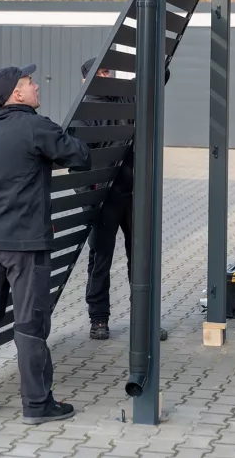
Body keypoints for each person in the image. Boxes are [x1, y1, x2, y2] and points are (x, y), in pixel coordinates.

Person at [0, 64, 91, 425]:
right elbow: (80, 156)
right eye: (30, 83)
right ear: (17, 94)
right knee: (30, 324)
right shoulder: (36, 127)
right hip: (25, 246)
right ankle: (37, 404)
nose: (36, 87)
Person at [77, 58, 168, 342]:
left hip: (133, 195)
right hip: (103, 199)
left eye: (108, 70)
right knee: (100, 259)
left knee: (140, 257)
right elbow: (77, 164)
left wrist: (158, 56)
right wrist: (89, 201)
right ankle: (99, 319)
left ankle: (145, 319)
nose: (106, 75)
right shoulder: (84, 111)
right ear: (87, 79)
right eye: (101, 72)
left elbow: (157, 77)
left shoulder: (126, 99)